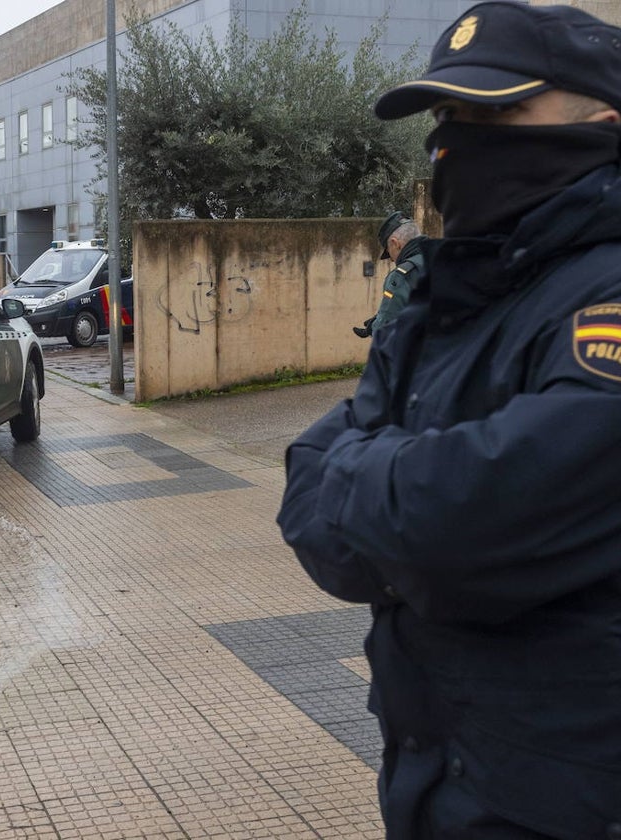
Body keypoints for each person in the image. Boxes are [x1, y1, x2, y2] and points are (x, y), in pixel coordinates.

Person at [277, 2, 621, 837]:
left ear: (605, 124)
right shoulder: (445, 296)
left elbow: (461, 520)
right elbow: (304, 503)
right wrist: (400, 507)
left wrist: (367, 483)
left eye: (497, 113)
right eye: (449, 117)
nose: (458, 142)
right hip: (435, 777)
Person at [352, 212, 427, 338]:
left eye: (388, 251)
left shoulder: (402, 276)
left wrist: (375, 326)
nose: (392, 260)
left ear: (395, 243)